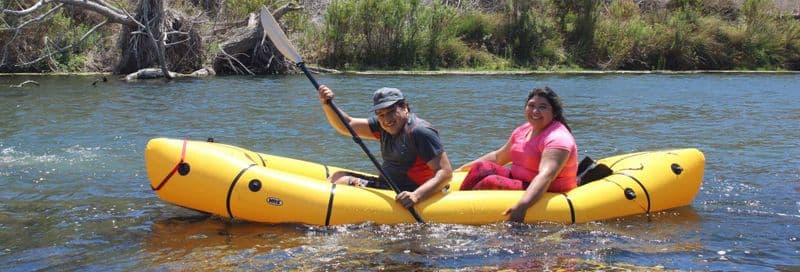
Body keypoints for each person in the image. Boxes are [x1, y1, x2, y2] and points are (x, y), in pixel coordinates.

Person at [316, 85, 453, 209]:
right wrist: (327, 104)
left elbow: (445, 173)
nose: (386, 119)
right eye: (381, 114)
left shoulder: (420, 132)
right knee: (338, 175)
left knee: (343, 181)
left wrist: (416, 195)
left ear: (404, 108)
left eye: (391, 111)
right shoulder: (382, 125)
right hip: (389, 185)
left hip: (411, 191)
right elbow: (348, 125)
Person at [457, 86, 578, 222]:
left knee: (490, 182)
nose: (535, 111)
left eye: (543, 107)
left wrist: (523, 206)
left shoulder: (557, 138)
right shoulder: (524, 130)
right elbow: (498, 157)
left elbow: (546, 176)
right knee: (481, 168)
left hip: (548, 190)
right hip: (521, 180)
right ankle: (455, 201)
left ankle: (462, 215)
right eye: (531, 105)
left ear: (554, 112)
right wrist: (460, 170)